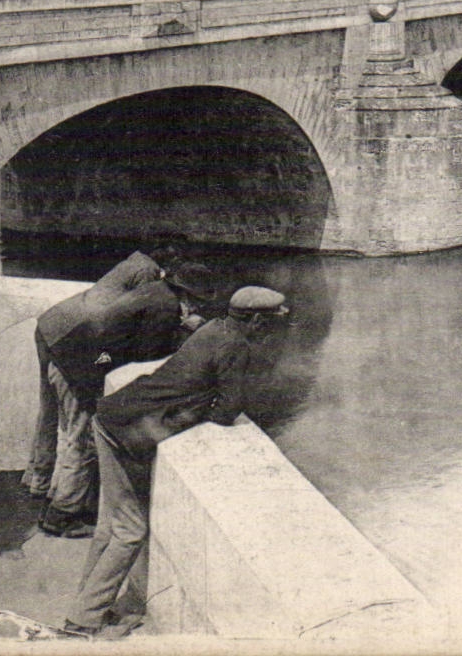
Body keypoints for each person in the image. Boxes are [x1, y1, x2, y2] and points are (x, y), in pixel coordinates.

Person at [63, 285, 290, 638]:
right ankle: (82, 621)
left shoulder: (212, 329)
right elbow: (228, 411)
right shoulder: (235, 347)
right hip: (128, 435)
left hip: (112, 417)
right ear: (257, 321)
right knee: (130, 530)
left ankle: (86, 604)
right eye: (272, 323)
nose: (273, 330)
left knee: (111, 525)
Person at [24, 250, 212, 537]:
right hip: (76, 371)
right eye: (199, 302)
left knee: (75, 436)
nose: (198, 308)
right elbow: (145, 360)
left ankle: (58, 497)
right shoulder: (166, 309)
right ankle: (59, 516)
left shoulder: (156, 291)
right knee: (84, 442)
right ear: (190, 297)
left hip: (66, 357)